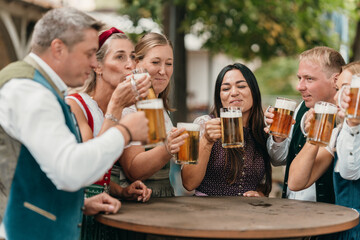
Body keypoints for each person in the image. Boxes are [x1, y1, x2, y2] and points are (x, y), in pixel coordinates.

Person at [0, 7, 149, 240]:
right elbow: (69, 170)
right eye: (89, 53)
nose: (93, 63)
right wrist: (125, 131)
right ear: (58, 48)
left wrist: (81, 204)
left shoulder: (39, 87)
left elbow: (43, 172)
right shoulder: (29, 90)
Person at [66, 27, 152, 240]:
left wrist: (122, 191)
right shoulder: (76, 105)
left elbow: (102, 179)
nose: (130, 65)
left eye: (132, 57)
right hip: (78, 212)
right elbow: (90, 170)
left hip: (107, 206)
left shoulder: (126, 110)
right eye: (120, 57)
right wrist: (115, 107)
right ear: (97, 66)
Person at [288, 61, 360, 239]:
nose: (336, 98)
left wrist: (352, 125)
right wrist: (315, 135)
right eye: (337, 90)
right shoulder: (337, 134)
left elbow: (350, 171)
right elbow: (296, 182)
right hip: (342, 231)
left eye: (343, 89)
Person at [265, 46, 345, 203]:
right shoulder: (300, 109)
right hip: (292, 208)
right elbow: (278, 159)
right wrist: (278, 139)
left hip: (329, 217)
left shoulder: (347, 120)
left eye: (309, 79)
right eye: (299, 78)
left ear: (335, 80)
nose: (299, 86)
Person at [118, 32, 193, 197]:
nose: (163, 71)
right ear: (137, 63)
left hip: (164, 199)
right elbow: (133, 170)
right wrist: (168, 148)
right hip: (140, 204)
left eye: (169, 63)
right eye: (155, 62)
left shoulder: (160, 108)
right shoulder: (129, 107)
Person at [181, 63, 272, 197]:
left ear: (254, 91)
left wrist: (259, 195)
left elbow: (264, 185)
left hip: (248, 213)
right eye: (225, 89)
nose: (234, 93)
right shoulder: (202, 124)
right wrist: (206, 141)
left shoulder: (261, 129)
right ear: (219, 96)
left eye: (241, 86)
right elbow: (188, 183)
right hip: (208, 211)